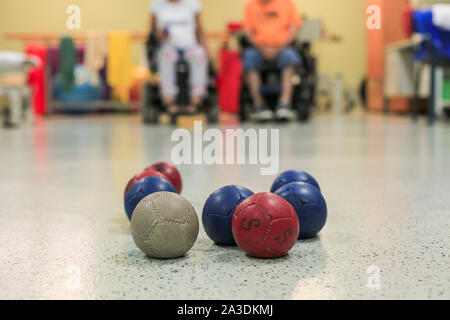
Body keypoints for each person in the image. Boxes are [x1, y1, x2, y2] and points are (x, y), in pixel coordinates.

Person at [243, 0, 303, 121]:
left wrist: (278, 48)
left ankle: (284, 103)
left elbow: (294, 30)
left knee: (290, 57)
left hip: (283, 48)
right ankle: (259, 104)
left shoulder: (287, 4)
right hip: (258, 49)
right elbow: (248, 32)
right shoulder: (250, 6)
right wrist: (262, 48)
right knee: (249, 57)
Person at [150, 0, 209, 114]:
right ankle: (168, 98)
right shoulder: (156, 4)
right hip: (168, 45)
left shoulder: (193, 3)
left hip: (189, 46)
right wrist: (160, 35)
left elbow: (200, 30)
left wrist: (208, 52)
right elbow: (152, 32)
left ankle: (196, 98)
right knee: (165, 55)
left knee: (200, 54)